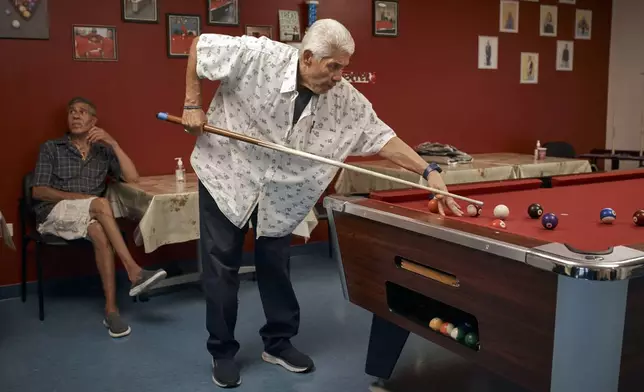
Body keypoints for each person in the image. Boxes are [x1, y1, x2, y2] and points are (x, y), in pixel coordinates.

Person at [181, 19, 463, 388]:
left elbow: (381, 136)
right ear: (308, 57)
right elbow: (199, 46)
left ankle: (278, 343)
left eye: (344, 67)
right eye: (334, 66)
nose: (340, 76)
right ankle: (222, 351)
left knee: (276, 266)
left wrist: (428, 171)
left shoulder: (344, 98)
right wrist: (191, 105)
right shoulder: (258, 56)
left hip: (282, 193)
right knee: (222, 267)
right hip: (227, 173)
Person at [32, 97, 167, 338]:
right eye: (71, 111)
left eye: (82, 112)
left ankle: (111, 311)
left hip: (90, 216)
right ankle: (134, 271)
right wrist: (80, 198)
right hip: (52, 214)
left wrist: (113, 143)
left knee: (99, 231)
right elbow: (38, 191)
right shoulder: (51, 148)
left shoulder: (103, 151)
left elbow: (133, 178)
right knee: (100, 203)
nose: (75, 116)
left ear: (93, 121)